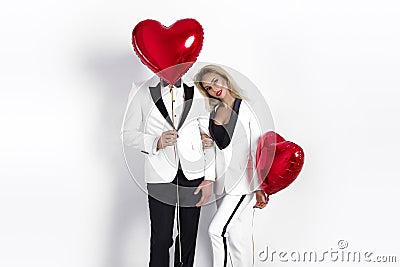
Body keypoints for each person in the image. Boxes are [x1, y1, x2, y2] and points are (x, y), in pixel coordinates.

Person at [121, 74, 215, 267]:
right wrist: (156, 141)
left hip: (194, 174)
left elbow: (206, 131)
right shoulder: (140, 89)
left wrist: (209, 176)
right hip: (159, 175)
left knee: (188, 237)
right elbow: (127, 133)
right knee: (161, 238)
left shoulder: (196, 90)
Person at [194, 65, 267, 267]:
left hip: (243, 183)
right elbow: (211, 148)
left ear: (224, 79)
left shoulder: (247, 109)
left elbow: (257, 147)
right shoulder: (213, 113)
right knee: (237, 238)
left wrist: (260, 186)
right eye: (208, 88)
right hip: (222, 184)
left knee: (216, 231)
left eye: (215, 81)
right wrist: (203, 139)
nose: (213, 88)